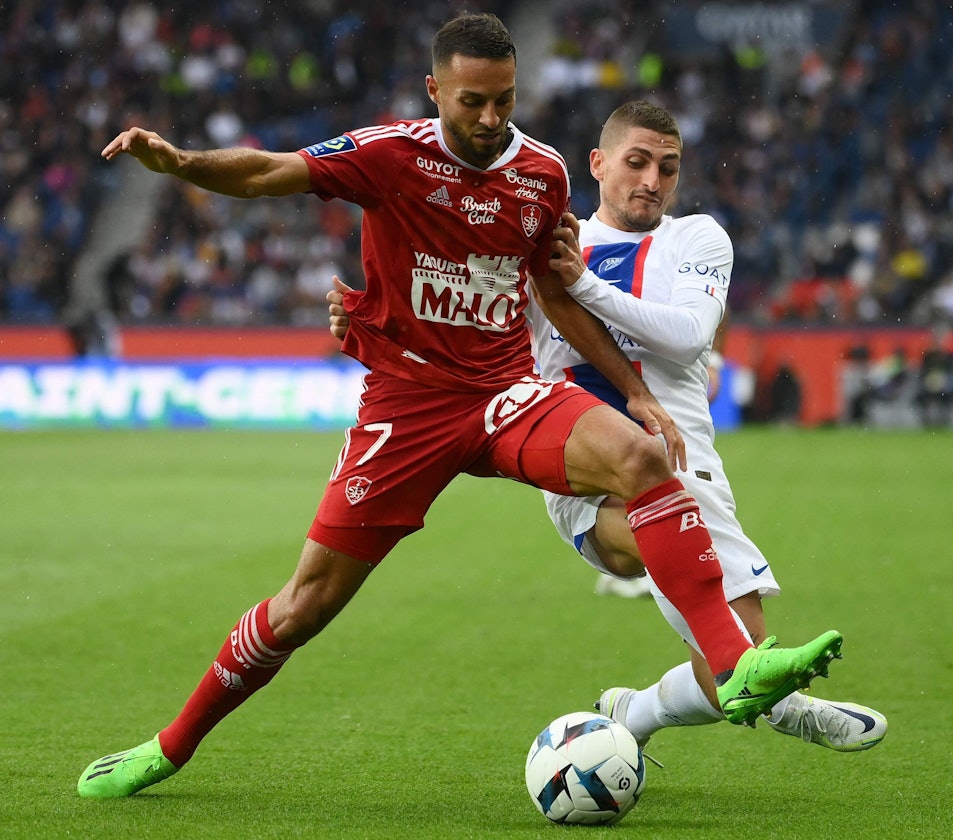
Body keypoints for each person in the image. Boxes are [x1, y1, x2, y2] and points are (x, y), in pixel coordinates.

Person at [78, 14, 842, 799]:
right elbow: (267, 172)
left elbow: (555, 289)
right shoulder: (390, 154)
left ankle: (735, 663)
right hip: (405, 411)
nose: (489, 120)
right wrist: (179, 163)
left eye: (504, 101)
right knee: (306, 605)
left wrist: (638, 389)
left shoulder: (541, 174)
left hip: (503, 393)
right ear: (436, 90)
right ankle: (171, 746)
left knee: (643, 459)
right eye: (472, 102)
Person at [330, 101, 885, 752]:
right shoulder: (548, 246)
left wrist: (580, 286)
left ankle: (638, 711)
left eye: (668, 168)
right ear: (598, 164)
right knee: (735, 645)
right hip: (583, 472)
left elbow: (686, 339)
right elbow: (463, 324)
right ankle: (785, 705)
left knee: (725, 661)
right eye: (638, 162)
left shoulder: (697, 239)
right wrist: (369, 328)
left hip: (686, 465)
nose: (652, 180)